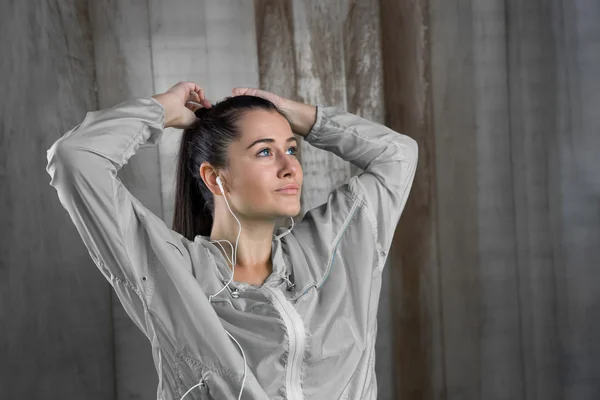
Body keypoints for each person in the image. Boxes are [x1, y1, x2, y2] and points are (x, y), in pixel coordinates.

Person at [46, 81, 419, 400]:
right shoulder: (174, 274)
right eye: (264, 152)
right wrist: (162, 110)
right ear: (214, 178)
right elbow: (75, 158)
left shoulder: (338, 243)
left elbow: (398, 154)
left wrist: (288, 110)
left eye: (291, 149)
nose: (290, 166)